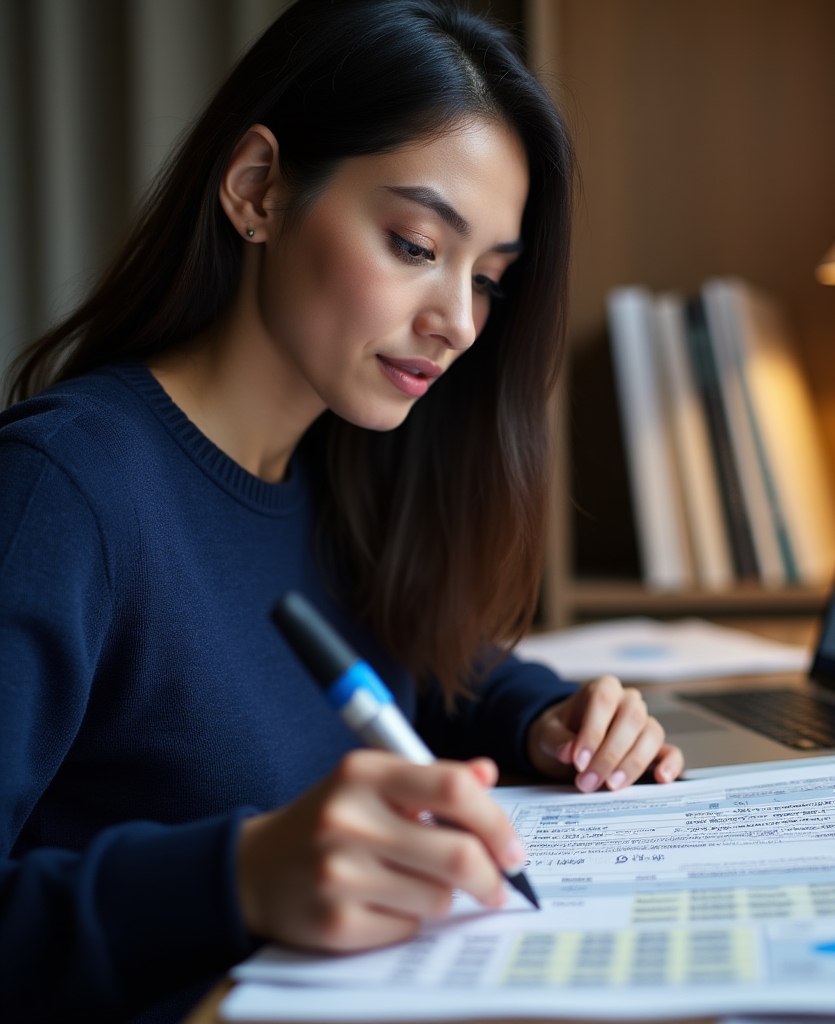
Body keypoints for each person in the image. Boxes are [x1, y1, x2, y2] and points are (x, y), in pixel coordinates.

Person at [0, 2, 684, 1020]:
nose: (456, 322)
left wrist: (543, 715)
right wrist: (236, 877)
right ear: (257, 191)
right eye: (415, 244)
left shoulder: (341, 466)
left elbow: (425, 663)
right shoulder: (64, 490)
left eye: (489, 278)